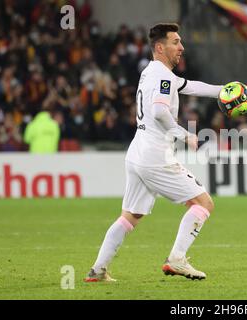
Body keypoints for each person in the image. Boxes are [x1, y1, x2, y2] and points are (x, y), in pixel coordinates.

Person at [84, 23, 230, 282]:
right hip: (155, 156)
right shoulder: (163, 76)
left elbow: (191, 86)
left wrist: (223, 91)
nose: (182, 47)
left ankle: (98, 270)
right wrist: (184, 135)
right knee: (203, 203)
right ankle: (177, 259)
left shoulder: (152, 72)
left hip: (137, 152)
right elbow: (159, 111)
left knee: (131, 216)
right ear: (160, 47)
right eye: (176, 42)